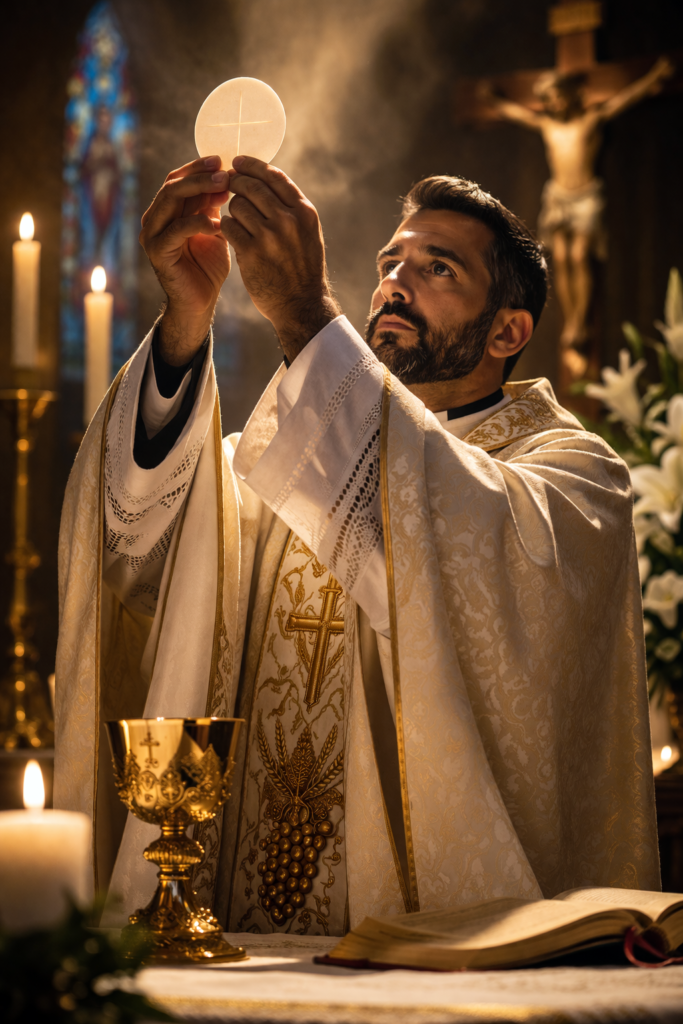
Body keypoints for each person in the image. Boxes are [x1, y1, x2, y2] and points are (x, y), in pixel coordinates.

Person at [55, 156, 658, 937]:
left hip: (428, 952)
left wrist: (306, 316)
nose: (395, 284)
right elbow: (138, 561)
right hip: (241, 940)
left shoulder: (574, 479)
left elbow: (459, 534)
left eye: (437, 267)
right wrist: (183, 327)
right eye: (389, 263)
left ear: (508, 330)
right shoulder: (280, 464)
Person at [481, 56, 674, 377]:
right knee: (562, 257)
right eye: (548, 99)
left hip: (585, 198)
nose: (553, 103)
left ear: (570, 95)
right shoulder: (548, 125)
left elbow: (625, 99)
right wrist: (495, 101)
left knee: (580, 254)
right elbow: (518, 114)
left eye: (557, 96)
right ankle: (572, 322)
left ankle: (580, 322)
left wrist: (653, 76)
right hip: (558, 197)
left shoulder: (590, 119)